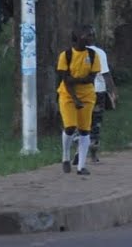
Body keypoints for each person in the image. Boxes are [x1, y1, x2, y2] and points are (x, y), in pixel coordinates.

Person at [56, 26, 101, 176]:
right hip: (68, 96)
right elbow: (65, 80)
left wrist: (75, 79)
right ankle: (65, 156)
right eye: (89, 35)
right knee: (70, 127)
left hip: (87, 96)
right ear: (79, 37)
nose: (92, 37)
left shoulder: (93, 55)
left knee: (84, 130)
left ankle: (81, 166)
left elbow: (91, 78)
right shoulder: (66, 55)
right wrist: (75, 98)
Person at [85, 26, 118, 164]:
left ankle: (79, 148)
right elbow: (105, 74)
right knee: (96, 122)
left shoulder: (74, 52)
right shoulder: (99, 53)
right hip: (98, 91)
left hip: (81, 92)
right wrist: (113, 91)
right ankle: (93, 152)